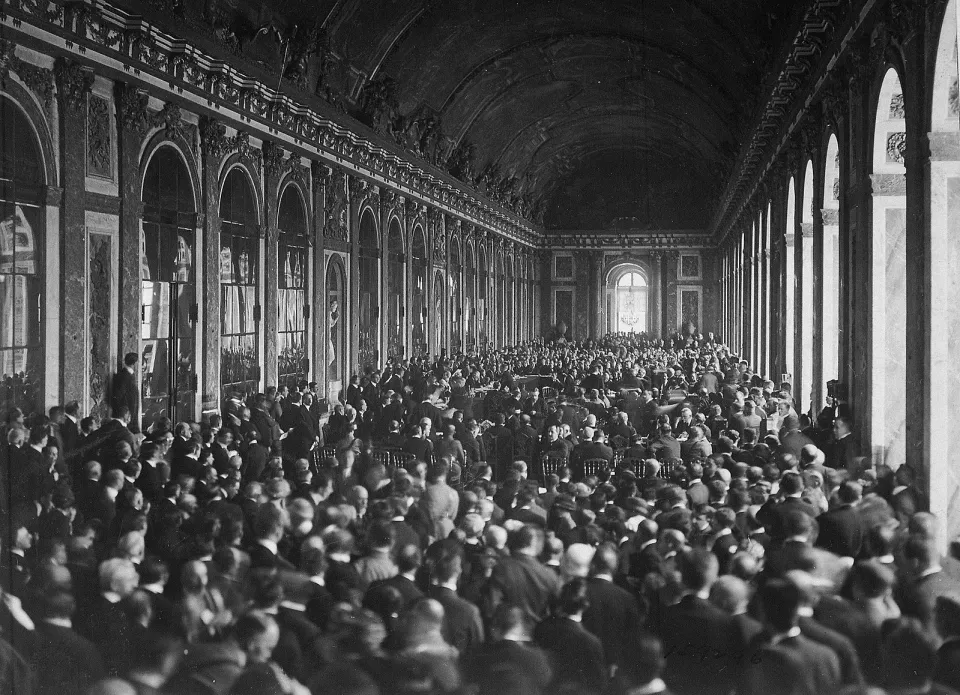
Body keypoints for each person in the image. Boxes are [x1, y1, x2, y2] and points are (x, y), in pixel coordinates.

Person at [110, 353, 141, 434]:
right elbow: (119, 397)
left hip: (130, 415)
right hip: (126, 417)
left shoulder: (129, 375)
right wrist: (126, 414)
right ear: (134, 363)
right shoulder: (124, 376)